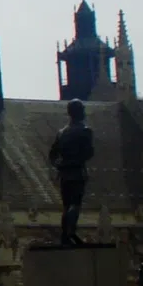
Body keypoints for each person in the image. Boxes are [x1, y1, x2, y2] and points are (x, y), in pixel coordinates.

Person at [48, 99, 95, 246]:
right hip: (77, 172)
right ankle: (71, 232)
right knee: (75, 204)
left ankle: (65, 235)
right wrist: (76, 161)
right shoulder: (85, 131)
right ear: (80, 112)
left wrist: (60, 165)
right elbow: (89, 153)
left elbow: (52, 155)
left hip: (63, 174)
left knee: (66, 205)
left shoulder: (61, 133)